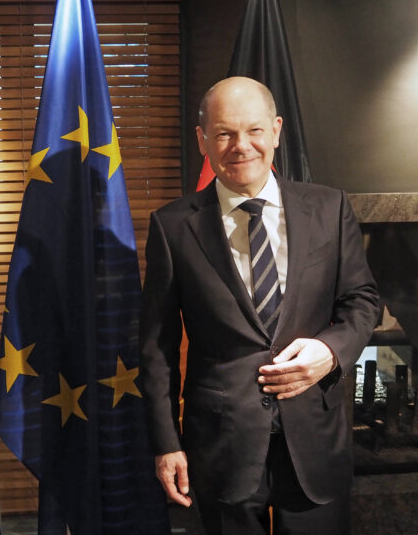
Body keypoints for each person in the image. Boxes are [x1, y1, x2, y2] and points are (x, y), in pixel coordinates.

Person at [139, 76, 379, 535]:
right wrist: (167, 443)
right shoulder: (172, 227)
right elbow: (156, 347)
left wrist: (329, 352)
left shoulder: (329, 208)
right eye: (225, 132)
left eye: (253, 130)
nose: (240, 145)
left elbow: (362, 299)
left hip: (315, 436)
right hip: (221, 445)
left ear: (276, 130)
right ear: (203, 139)